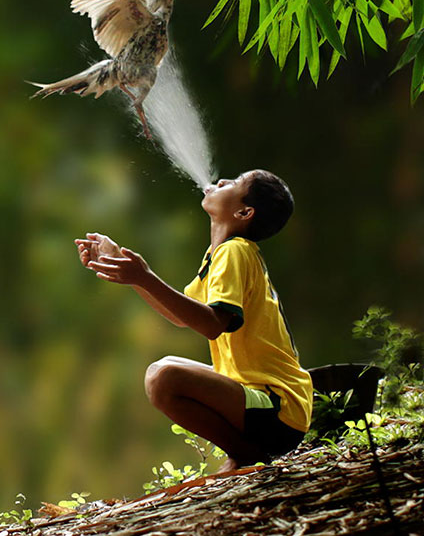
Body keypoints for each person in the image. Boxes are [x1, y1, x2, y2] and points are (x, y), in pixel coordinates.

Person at [75, 169, 312, 472]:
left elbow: (214, 324)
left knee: (164, 378)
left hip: (278, 407)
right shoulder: (218, 257)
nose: (222, 181)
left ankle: (244, 456)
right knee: (163, 370)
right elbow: (181, 317)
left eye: (235, 183)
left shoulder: (235, 252)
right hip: (258, 402)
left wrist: (144, 277)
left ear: (243, 212)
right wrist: (130, 271)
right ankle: (244, 454)